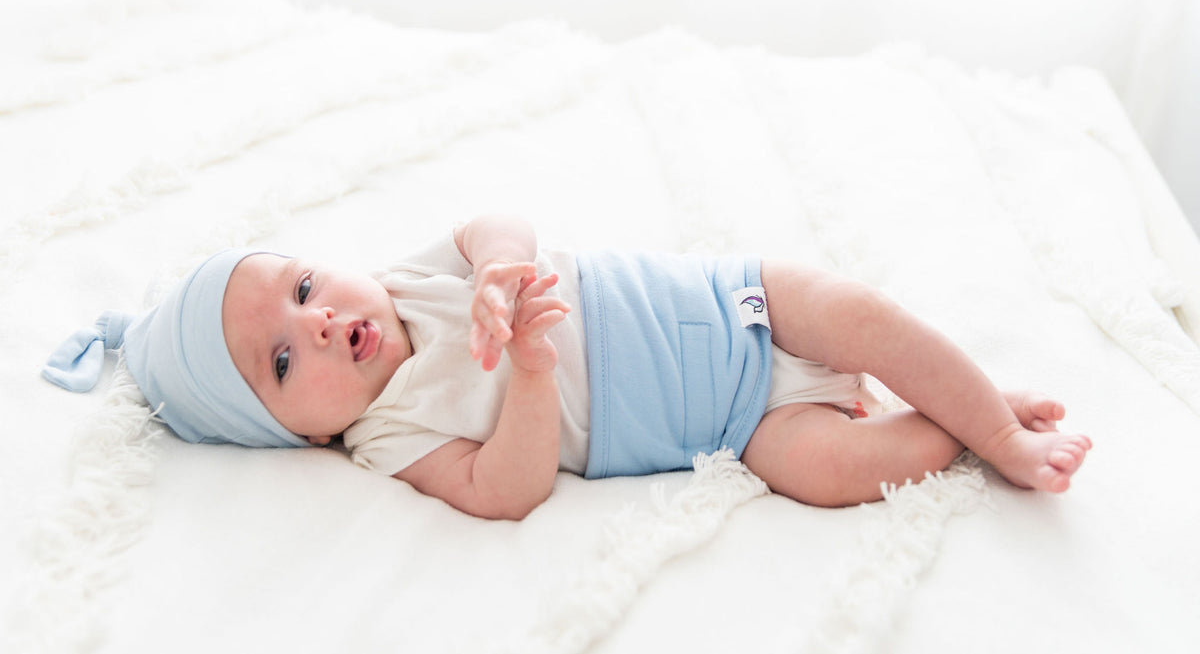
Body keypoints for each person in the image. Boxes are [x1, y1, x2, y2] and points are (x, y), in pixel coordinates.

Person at [45, 215, 1091, 520]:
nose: (318, 324)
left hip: (742, 304)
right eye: (280, 358)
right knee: (824, 472)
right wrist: (533, 380)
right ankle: (962, 425)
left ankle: (992, 420)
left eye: (308, 288)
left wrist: (504, 271)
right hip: (735, 430)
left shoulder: (415, 279)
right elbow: (504, 491)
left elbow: (494, 222)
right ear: (296, 434)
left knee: (862, 318)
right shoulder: (388, 437)